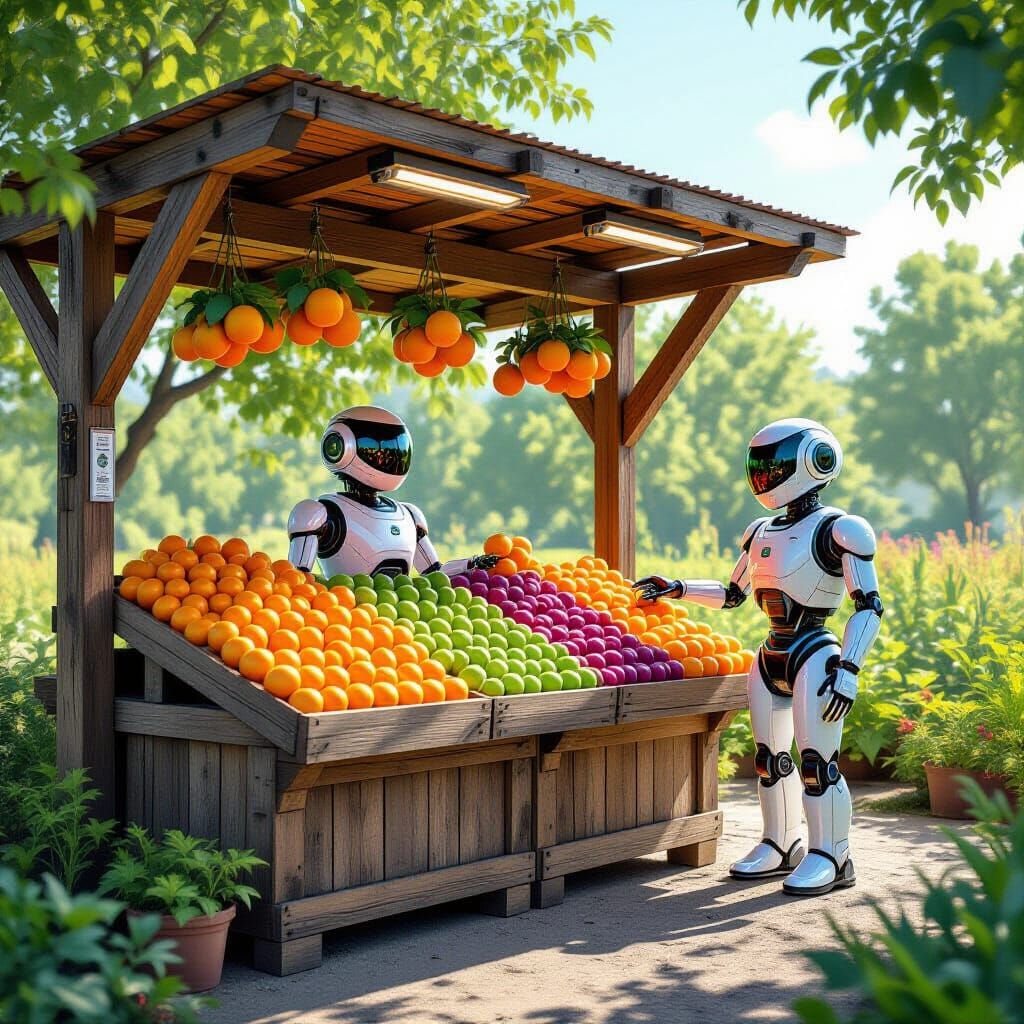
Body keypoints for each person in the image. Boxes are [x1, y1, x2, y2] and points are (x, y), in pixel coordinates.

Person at [633, 418, 884, 896]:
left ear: (814, 460)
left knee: (818, 761)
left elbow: (869, 605)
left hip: (815, 651)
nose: (765, 475)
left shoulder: (839, 529)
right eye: (760, 465)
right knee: (770, 759)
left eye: (775, 463)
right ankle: (780, 842)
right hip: (772, 652)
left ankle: (833, 854)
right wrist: (678, 588)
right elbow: (733, 594)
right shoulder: (761, 530)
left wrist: (850, 668)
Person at [287, 405, 497, 579]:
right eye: (375, 448)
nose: (388, 457)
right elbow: (297, 579)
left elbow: (434, 573)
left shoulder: (409, 515)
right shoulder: (319, 513)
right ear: (338, 445)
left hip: (402, 613)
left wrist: (472, 563)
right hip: (345, 612)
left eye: (395, 449)